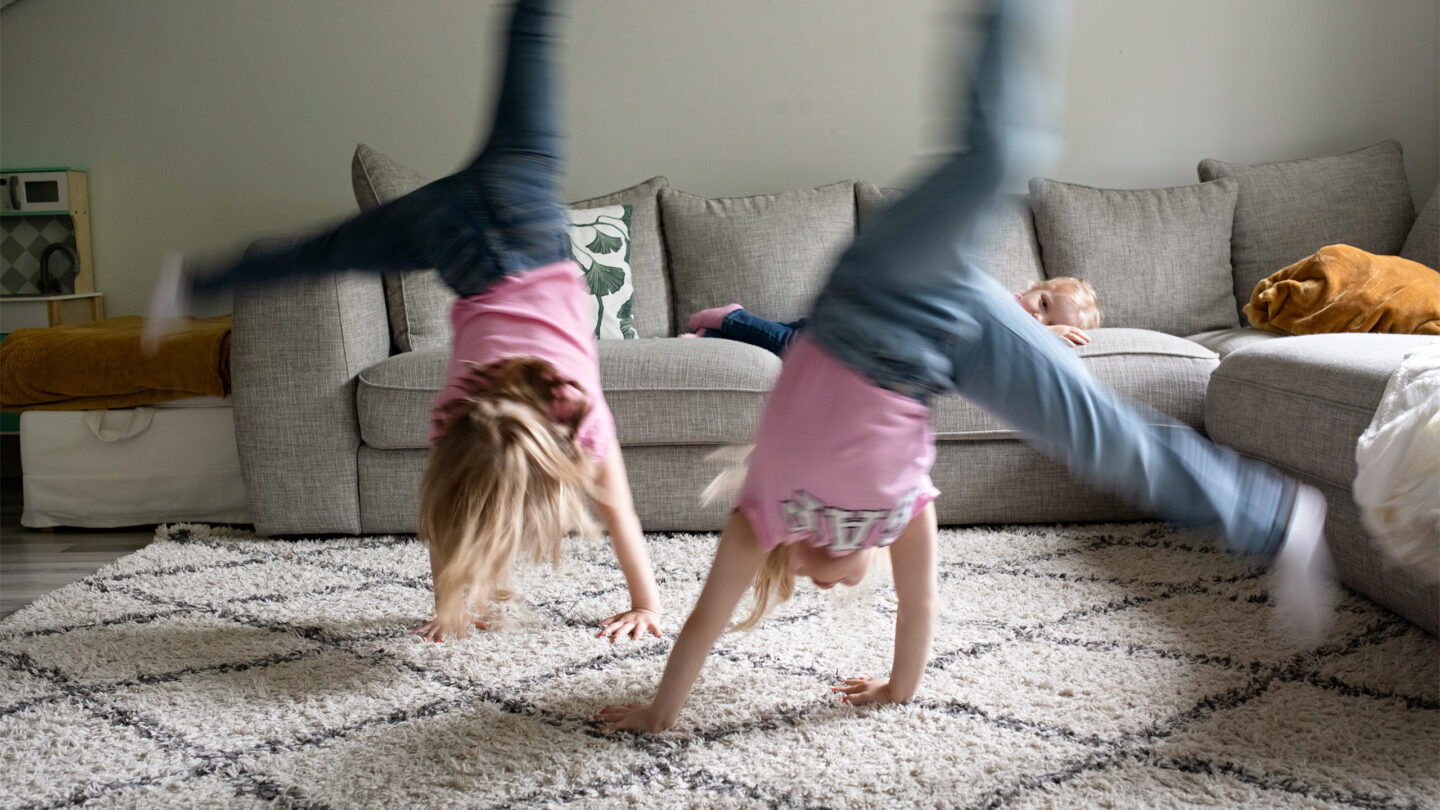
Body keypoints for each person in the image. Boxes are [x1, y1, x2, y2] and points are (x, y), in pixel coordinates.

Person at [597, 0, 1332, 733]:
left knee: (996, 158)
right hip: (945, 341)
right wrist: (898, 689)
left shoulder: (767, 509)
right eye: (848, 582)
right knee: (1094, 434)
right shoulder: (899, 511)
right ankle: (1274, 516)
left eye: (807, 581)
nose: (830, 580)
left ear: (787, 560)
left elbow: (702, 620)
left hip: (878, 292)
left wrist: (660, 712)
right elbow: (921, 609)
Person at [143, 0, 662, 644]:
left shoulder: (578, 422)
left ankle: (191, 283)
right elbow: (454, 519)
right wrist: (644, 607)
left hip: (525, 206)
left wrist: (642, 602)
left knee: (530, 44)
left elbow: (596, 514)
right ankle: (192, 284)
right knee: (326, 254)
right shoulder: (461, 413)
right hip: (461, 240)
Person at [686, 275, 1101, 354]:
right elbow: (1000, 334)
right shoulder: (1000, 303)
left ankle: (714, 340)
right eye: (1043, 306)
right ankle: (733, 318)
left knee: (792, 333)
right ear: (1030, 288)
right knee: (796, 346)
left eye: (1049, 321)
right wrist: (1045, 336)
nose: (1038, 320)